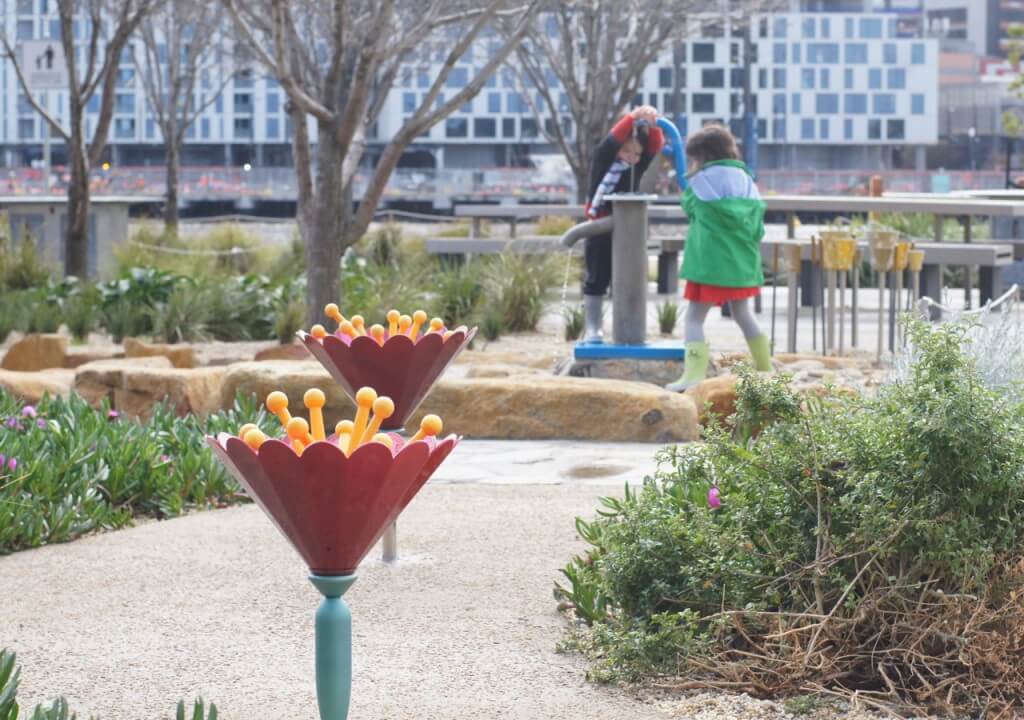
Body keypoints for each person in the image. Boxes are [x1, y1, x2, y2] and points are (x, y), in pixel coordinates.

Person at [665, 124, 771, 392]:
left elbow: (690, 209)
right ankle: (766, 370)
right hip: (741, 263)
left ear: (702, 155)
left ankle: (693, 376)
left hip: (709, 264)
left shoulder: (700, 181)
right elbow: (758, 226)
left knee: (693, 319)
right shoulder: (747, 180)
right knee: (743, 314)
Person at [573, 105, 664, 343]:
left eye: (636, 153)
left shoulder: (636, 167)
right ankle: (593, 328)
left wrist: (653, 125)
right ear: (617, 150)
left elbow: (654, 148)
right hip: (599, 225)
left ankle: (626, 328)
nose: (632, 158)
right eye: (626, 151)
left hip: (627, 231)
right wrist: (632, 117)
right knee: (596, 278)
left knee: (626, 280)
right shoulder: (603, 163)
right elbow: (608, 144)